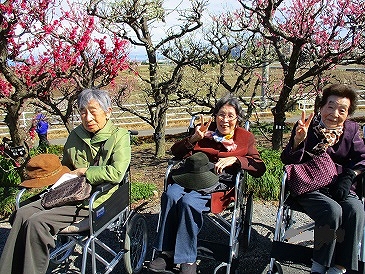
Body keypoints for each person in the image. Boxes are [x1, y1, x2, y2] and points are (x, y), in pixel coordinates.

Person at [0, 88, 131, 274]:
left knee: (37, 223)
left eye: (93, 111)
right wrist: (48, 174)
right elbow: (66, 166)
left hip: (94, 201)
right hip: (68, 193)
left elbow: (117, 173)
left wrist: (85, 171)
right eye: (83, 112)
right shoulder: (76, 135)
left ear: (108, 111)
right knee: (22, 214)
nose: (88, 118)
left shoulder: (119, 136)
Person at [149, 95, 266, 274]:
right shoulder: (204, 131)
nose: (225, 120)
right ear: (215, 115)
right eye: (221, 115)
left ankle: (187, 259)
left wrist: (236, 159)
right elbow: (175, 152)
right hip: (190, 175)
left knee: (189, 202)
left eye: (230, 116)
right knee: (171, 195)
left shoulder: (245, 138)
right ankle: (167, 252)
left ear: (237, 118)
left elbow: (259, 167)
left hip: (219, 181)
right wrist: (194, 138)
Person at [281, 84, 365, 274]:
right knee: (332, 211)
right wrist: (297, 141)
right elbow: (288, 160)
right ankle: (319, 266)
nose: (334, 114)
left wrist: (351, 175)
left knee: (355, 210)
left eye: (342, 110)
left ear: (348, 114)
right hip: (311, 186)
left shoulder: (351, 131)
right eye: (330, 106)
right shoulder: (307, 127)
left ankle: (339, 267)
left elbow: (362, 158)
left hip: (340, 186)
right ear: (321, 107)